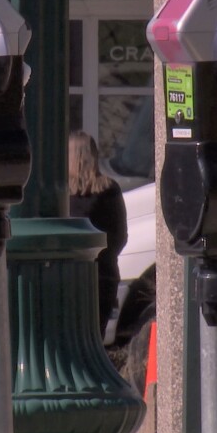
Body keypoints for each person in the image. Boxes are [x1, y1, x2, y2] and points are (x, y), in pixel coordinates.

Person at [68, 130, 128, 337]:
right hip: (104, 274)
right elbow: (120, 236)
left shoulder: (62, 193)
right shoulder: (110, 189)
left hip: (68, 276)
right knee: (96, 336)